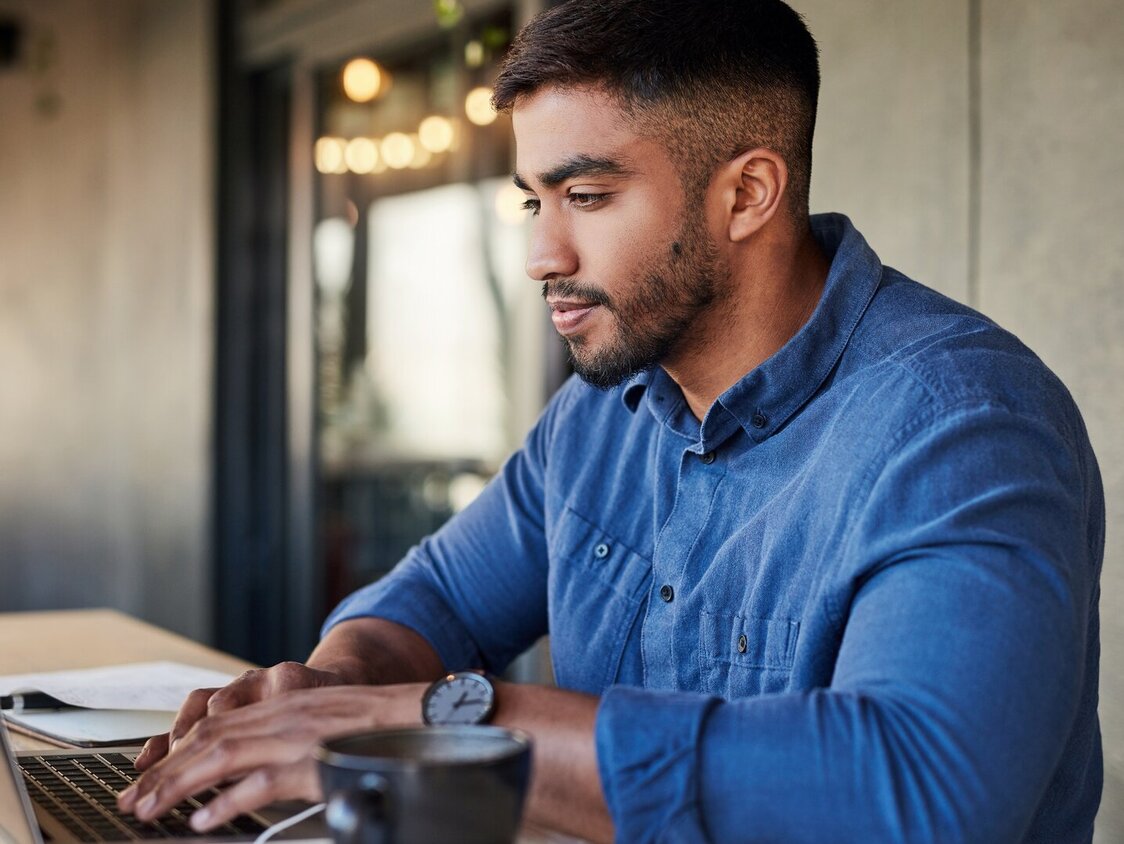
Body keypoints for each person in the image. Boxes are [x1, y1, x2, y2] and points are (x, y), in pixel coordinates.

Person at [118, 1, 1104, 841]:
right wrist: (328, 693)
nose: (541, 253)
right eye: (532, 199)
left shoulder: (963, 424)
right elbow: (437, 601)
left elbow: (916, 791)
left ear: (746, 193)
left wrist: (449, 716)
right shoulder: (597, 414)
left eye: (585, 195)